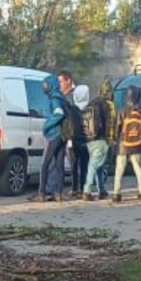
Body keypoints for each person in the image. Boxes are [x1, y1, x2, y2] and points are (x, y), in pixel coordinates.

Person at [29, 75, 66, 202]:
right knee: (59, 165)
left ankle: (42, 193)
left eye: (45, 85)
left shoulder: (54, 98)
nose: (43, 87)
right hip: (62, 135)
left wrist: (47, 126)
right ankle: (58, 193)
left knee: (45, 164)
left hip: (54, 134)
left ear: (51, 84)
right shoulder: (61, 97)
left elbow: (58, 113)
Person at [112, 86, 141, 203]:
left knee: (119, 170)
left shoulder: (122, 111)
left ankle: (117, 194)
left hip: (123, 144)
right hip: (137, 145)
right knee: (138, 169)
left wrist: (116, 140)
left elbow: (117, 128)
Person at [81, 83, 114, 201]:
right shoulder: (108, 105)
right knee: (94, 165)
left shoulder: (91, 104)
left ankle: (102, 190)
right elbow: (110, 123)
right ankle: (87, 191)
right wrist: (110, 140)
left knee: (98, 166)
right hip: (101, 139)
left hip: (89, 140)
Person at [58, 70, 88, 198]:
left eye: (61, 81)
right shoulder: (84, 100)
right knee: (78, 164)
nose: (60, 85)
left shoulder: (72, 98)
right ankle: (80, 188)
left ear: (68, 80)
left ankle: (78, 188)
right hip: (82, 136)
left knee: (76, 163)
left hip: (74, 135)